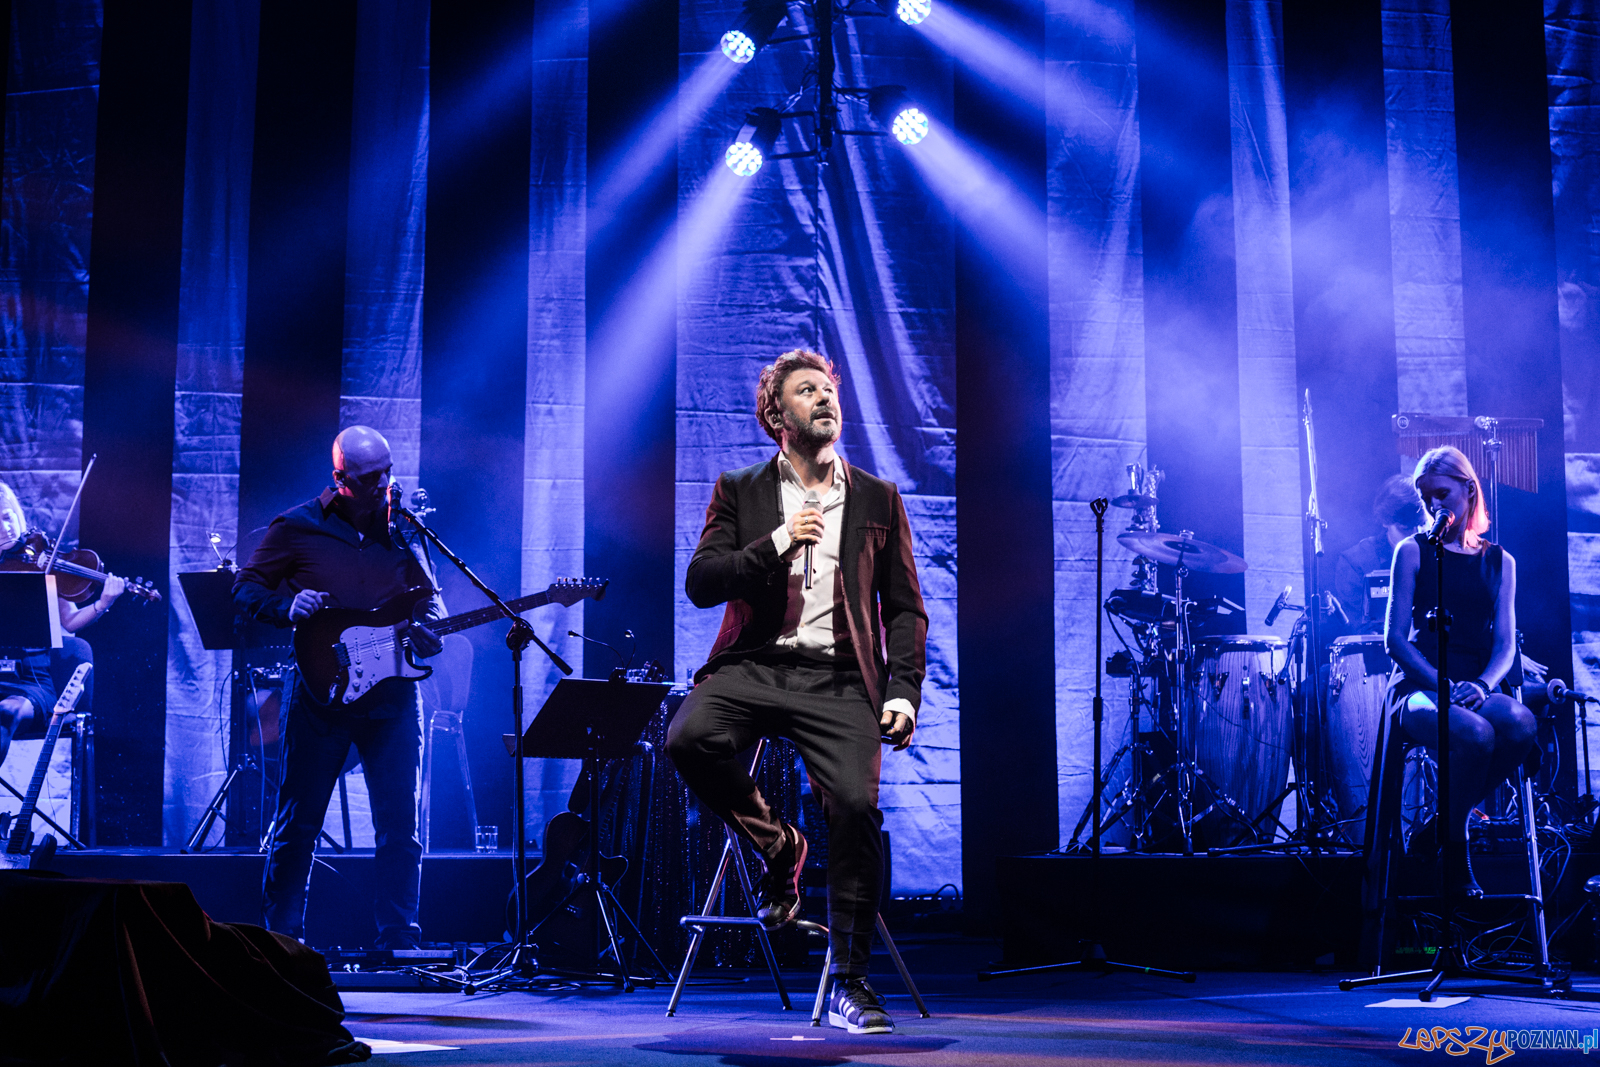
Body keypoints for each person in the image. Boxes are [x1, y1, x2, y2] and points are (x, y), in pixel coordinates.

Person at [667, 349, 928, 1035]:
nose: (823, 398)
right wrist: (781, 537)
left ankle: (850, 981)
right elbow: (702, 581)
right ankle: (781, 845)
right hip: (754, 664)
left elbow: (904, 607)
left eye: (828, 388)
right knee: (688, 737)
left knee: (854, 805)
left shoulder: (877, 497)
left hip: (841, 677)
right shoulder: (741, 488)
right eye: (805, 390)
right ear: (775, 414)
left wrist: (903, 690)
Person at [235, 426, 443, 948]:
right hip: (319, 695)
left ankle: (400, 938)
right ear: (341, 478)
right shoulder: (297, 527)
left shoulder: (406, 529)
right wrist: (287, 607)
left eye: (388, 473)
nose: (384, 485)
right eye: (371, 477)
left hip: (393, 695)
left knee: (401, 827)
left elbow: (430, 601)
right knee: (299, 821)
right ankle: (282, 943)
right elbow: (244, 588)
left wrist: (431, 629)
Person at [1384, 446, 1537, 896]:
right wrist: (1442, 685)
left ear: (1469, 490)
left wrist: (1484, 684)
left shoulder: (1500, 562)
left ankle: (1442, 822)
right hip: (1420, 683)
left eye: (1442, 493)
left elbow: (1506, 644)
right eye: (1426, 497)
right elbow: (1393, 641)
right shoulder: (1411, 552)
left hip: (1474, 683)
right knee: (1476, 734)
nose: (1434, 505)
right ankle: (1456, 846)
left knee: (1520, 723)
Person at [0, 480, 124, 768]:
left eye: (8, 517)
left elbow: (70, 621)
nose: (5, 527)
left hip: (29, 682)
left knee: (6, 712)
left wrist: (103, 603)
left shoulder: (40, 564)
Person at [1332, 474, 1423, 636]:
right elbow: (1360, 629)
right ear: (1385, 521)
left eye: (1421, 526)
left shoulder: (1436, 553)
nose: (1415, 535)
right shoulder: (1355, 562)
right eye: (1405, 529)